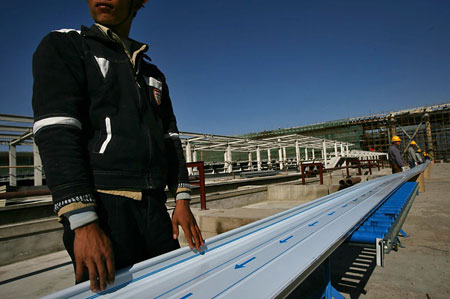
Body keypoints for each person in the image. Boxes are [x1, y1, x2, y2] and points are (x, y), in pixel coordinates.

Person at [32, 0, 204, 293]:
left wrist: (182, 199)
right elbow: (57, 131)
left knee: (171, 287)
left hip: (154, 207)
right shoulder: (67, 45)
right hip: (104, 208)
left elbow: (170, 139)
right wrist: (82, 221)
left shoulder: (152, 72)